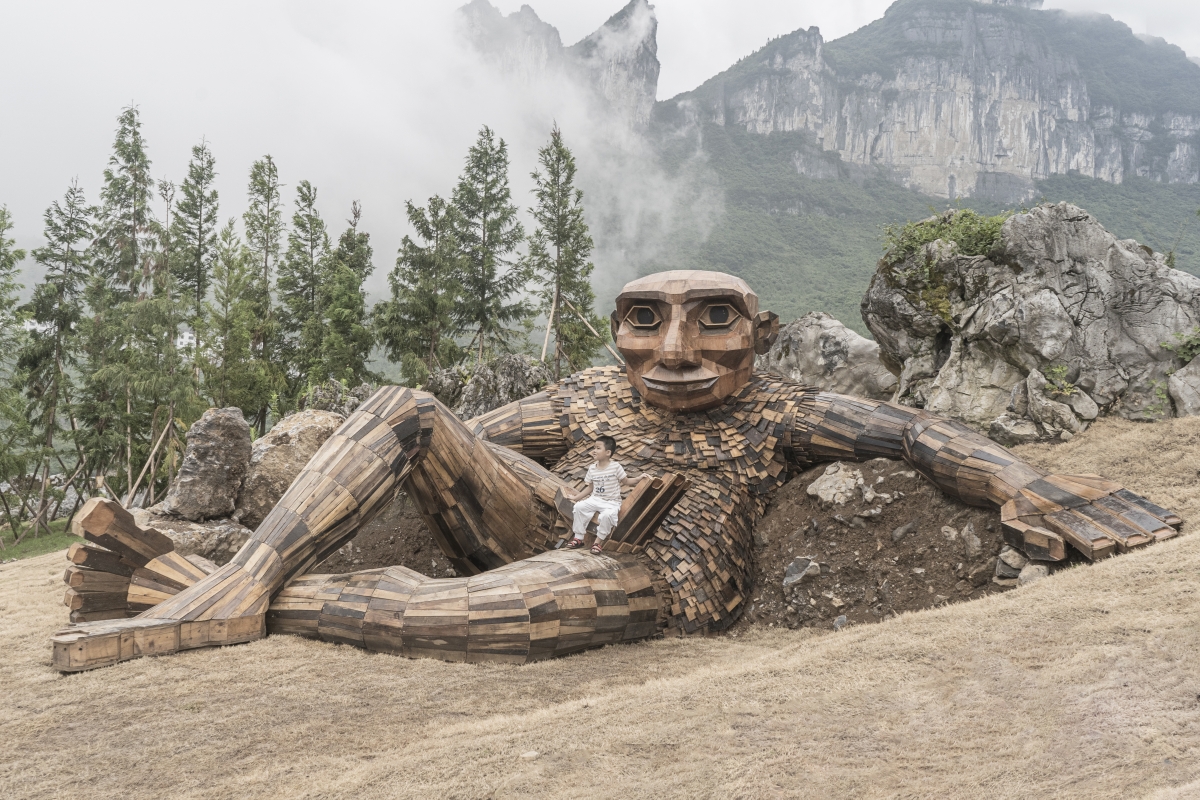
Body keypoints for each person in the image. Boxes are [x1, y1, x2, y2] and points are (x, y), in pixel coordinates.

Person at [563, 435, 639, 553]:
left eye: (598, 448)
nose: (594, 451)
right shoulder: (592, 468)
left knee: (606, 516)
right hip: (595, 499)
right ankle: (578, 538)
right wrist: (576, 498)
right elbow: (590, 487)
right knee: (579, 507)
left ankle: (598, 543)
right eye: (594, 448)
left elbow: (626, 481)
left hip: (611, 502)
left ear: (608, 452)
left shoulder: (615, 467)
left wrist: (639, 478)